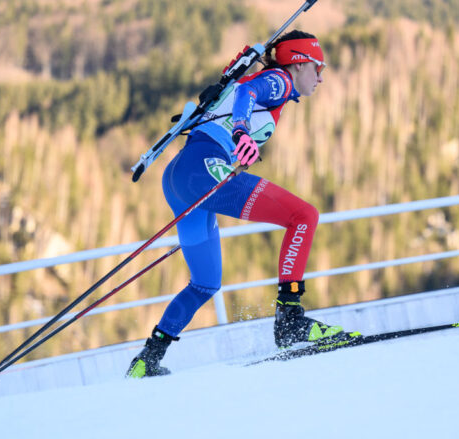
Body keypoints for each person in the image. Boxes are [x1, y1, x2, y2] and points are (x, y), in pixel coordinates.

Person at [126, 30, 358, 379]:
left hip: (180, 176)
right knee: (303, 216)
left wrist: (239, 132)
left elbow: (242, 92)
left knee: (205, 283)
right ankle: (291, 320)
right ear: (297, 63)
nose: (321, 76)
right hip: (202, 170)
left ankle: (148, 360)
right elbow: (248, 92)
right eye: (317, 66)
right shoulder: (280, 79)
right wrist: (241, 131)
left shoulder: (276, 83)